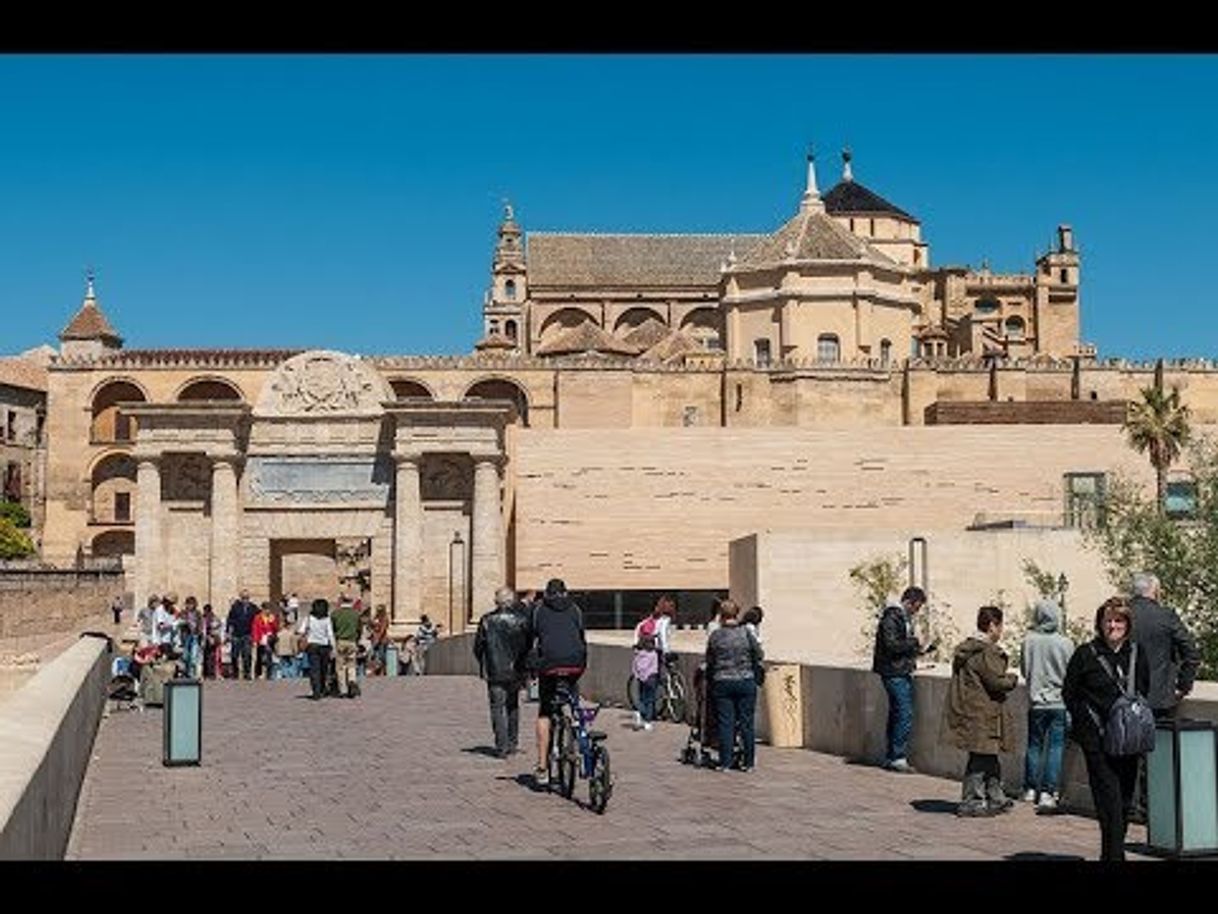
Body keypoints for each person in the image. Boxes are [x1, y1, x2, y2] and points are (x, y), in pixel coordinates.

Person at [1063, 597, 1151, 862]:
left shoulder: (1137, 653)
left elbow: (1144, 690)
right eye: (1108, 620)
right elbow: (1070, 694)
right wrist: (1089, 729)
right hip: (1098, 742)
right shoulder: (1085, 654)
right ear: (1100, 624)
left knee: (1124, 803)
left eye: (1119, 620)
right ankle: (1115, 856)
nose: (1113, 625)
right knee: (1109, 801)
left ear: (1127, 624)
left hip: (1128, 741)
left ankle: (1110, 853)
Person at [942, 605, 1018, 817]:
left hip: (972, 710)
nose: (1001, 630)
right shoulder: (985, 652)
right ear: (993, 625)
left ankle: (995, 796)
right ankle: (972, 800)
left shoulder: (967, 649)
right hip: (984, 713)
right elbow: (996, 681)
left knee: (988, 755)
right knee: (980, 758)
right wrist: (1012, 679)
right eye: (1000, 625)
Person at [529, 579, 587, 786]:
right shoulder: (576, 609)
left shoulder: (538, 610)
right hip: (575, 664)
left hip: (550, 666)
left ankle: (543, 767)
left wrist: (528, 666)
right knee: (572, 697)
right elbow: (581, 637)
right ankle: (577, 724)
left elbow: (531, 639)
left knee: (545, 711)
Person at [1020, 598, 1074, 811]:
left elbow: (1025, 670)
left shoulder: (1029, 641)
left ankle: (1030, 787)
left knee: (1034, 745)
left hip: (1036, 703)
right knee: (1055, 747)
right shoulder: (1065, 643)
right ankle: (1048, 792)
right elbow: (1071, 674)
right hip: (1059, 702)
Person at [871, 586, 931, 773]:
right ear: (909, 602)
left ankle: (891, 756)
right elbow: (891, 645)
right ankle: (897, 757)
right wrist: (913, 643)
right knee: (904, 713)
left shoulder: (900, 617)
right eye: (917, 607)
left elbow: (897, 645)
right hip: (893, 672)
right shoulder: (892, 617)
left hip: (898, 669)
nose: (917, 611)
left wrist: (919, 650)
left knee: (897, 713)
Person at [473, 586, 532, 758]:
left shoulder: (486, 620)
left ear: (496, 601)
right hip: (516, 671)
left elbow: (478, 647)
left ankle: (501, 745)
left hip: (495, 671)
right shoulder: (521, 619)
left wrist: (485, 664)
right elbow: (528, 645)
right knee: (513, 706)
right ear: (512, 601)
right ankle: (513, 742)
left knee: (497, 708)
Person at [705, 599, 763, 772]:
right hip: (746, 681)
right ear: (736, 614)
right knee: (747, 723)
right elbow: (759, 654)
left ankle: (725, 762)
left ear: (721, 616)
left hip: (722, 682)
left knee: (726, 723)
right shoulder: (746, 633)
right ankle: (749, 762)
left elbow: (710, 660)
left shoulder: (716, 636)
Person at [298, 598, 337, 701]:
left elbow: (301, 631)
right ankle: (322, 689)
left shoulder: (309, 618)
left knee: (314, 669)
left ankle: (316, 691)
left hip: (312, 646)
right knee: (323, 669)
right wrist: (333, 647)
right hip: (324, 647)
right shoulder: (327, 619)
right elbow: (330, 634)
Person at [631, 612, 661, 731]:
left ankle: (639, 713)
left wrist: (637, 675)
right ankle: (648, 721)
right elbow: (655, 667)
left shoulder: (639, 654)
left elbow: (634, 666)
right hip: (651, 678)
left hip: (641, 678)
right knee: (650, 699)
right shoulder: (653, 654)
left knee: (642, 697)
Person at [331, 596, 362, 698]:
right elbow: (359, 629)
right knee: (351, 664)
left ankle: (343, 690)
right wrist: (357, 640)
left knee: (340, 667)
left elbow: (332, 628)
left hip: (340, 641)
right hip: (352, 641)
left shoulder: (335, 614)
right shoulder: (356, 614)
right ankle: (352, 680)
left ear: (341, 602)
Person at [226, 590, 258, 680]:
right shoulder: (235, 607)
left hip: (247, 635)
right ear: (240, 598)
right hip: (236, 634)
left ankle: (247, 673)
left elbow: (258, 619)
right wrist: (228, 632)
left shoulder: (253, 607)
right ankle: (235, 673)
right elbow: (230, 620)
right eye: (243, 598)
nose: (245, 600)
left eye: (247, 598)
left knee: (247, 655)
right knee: (234, 655)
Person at [252, 602, 279, 680]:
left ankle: (269, 674)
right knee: (259, 657)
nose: (268, 611)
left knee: (269, 656)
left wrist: (272, 622)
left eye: (269, 610)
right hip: (261, 639)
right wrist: (255, 640)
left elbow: (276, 629)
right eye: (267, 609)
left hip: (270, 639)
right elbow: (255, 629)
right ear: (263, 609)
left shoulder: (272, 617)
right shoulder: (257, 618)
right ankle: (258, 673)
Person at [178, 596, 204, 679]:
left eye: (191, 604)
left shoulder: (198, 613)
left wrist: (199, 633)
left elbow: (201, 624)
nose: (190, 605)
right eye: (188, 604)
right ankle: (185, 671)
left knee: (193, 656)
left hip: (195, 636)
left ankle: (191, 673)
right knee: (185, 655)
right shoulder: (183, 613)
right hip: (185, 636)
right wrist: (185, 622)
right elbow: (179, 623)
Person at [201, 603, 223, 679]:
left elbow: (217, 627)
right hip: (207, 640)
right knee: (207, 657)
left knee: (212, 657)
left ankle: (211, 673)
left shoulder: (214, 618)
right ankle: (207, 674)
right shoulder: (204, 618)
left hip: (213, 640)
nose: (205, 612)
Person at [370, 605, 390, 675]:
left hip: (382, 640)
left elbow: (383, 629)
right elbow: (371, 626)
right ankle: (376, 671)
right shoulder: (376, 618)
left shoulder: (384, 618)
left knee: (381, 656)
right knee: (375, 655)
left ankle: (383, 671)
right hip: (375, 639)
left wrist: (378, 639)